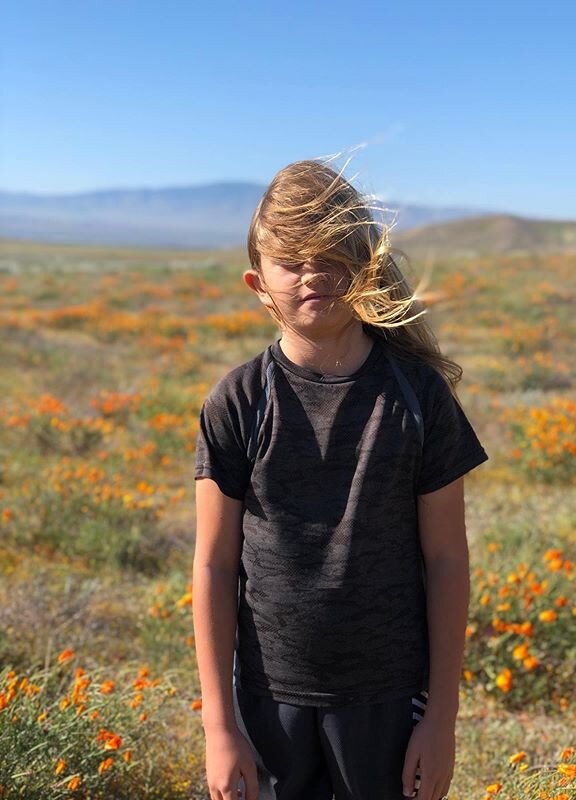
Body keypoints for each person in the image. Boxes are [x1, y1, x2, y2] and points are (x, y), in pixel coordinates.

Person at [192, 157, 489, 800]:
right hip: (267, 699)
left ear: (364, 268)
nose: (314, 275)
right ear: (257, 283)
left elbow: (446, 560)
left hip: (390, 699)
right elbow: (214, 566)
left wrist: (441, 719)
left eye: (332, 255)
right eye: (292, 260)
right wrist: (220, 728)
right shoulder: (238, 401)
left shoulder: (418, 397)